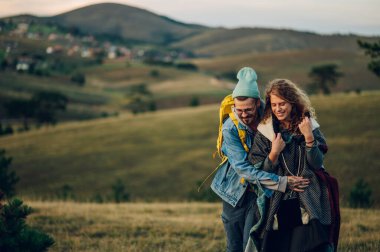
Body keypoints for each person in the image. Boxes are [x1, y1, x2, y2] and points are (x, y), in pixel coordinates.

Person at [210, 68, 308, 252]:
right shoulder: (230, 128)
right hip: (235, 193)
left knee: (253, 243)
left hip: (261, 192)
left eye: (248, 110)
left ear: (258, 103)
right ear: (233, 108)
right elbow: (244, 169)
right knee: (235, 246)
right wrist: (282, 182)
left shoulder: (270, 117)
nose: (244, 115)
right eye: (239, 111)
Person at [247, 78, 333, 252]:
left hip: (308, 196)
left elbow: (317, 163)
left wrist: (309, 138)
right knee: (282, 245)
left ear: (293, 102)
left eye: (282, 104)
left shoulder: (309, 125)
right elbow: (259, 172)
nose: (278, 109)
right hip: (279, 199)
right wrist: (274, 152)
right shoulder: (265, 132)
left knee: (310, 245)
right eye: (274, 104)